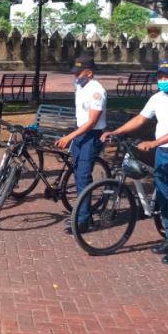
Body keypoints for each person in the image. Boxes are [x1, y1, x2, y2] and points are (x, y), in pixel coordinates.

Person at [101, 59, 168, 264]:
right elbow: (140, 119)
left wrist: (154, 143)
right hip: (163, 152)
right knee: (164, 197)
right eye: (160, 77)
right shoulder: (157, 97)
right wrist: (115, 132)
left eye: (167, 76)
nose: (163, 80)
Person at [57, 56, 107, 233]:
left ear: (90, 73)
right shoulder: (80, 86)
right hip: (80, 133)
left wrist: (70, 136)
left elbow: (92, 121)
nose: (76, 76)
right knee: (79, 173)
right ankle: (84, 213)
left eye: (79, 73)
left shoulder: (97, 91)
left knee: (83, 176)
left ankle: (83, 221)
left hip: (92, 135)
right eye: (75, 73)